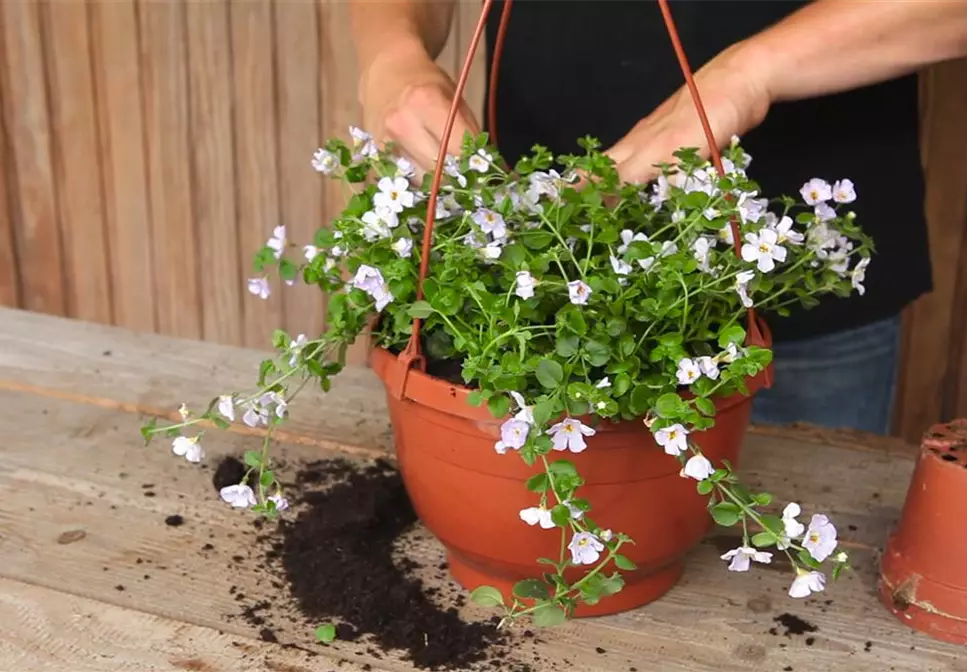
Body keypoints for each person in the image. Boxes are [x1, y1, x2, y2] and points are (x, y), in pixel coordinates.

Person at [349, 0, 967, 435]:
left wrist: (750, 73)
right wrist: (393, 54)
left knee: (795, 581)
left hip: (805, 259)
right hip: (538, 255)